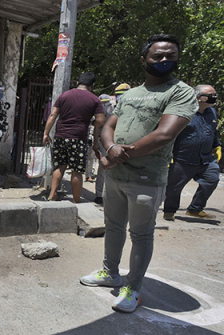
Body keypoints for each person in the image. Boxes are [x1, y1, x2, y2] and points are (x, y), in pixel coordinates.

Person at [80, 34, 197, 313]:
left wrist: (120, 155)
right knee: (114, 227)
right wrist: (109, 149)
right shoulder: (130, 93)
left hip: (147, 178)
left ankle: (133, 287)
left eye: (170, 55)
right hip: (117, 177)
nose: (164, 60)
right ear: (144, 59)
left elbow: (164, 134)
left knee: (141, 235)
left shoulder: (180, 92)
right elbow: (108, 125)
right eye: (157, 56)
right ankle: (110, 273)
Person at [43, 72, 105, 203]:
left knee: (59, 166)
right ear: (92, 85)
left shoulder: (64, 95)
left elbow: (53, 115)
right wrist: (92, 123)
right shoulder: (95, 100)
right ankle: (76, 201)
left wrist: (46, 133)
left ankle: (52, 195)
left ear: (78, 83)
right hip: (78, 138)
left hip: (60, 137)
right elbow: (100, 120)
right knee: (76, 171)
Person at [162, 85, 220, 221]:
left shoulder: (212, 111)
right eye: (211, 95)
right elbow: (171, 134)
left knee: (212, 179)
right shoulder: (183, 112)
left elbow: (213, 130)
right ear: (199, 98)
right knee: (174, 188)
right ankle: (169, 211)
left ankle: (195, 209)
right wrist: (168, 153)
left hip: (205, 159)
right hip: (182, 159)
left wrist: (217, 145)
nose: (215, 97)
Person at [93, 94, 116, 204]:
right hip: (104, 141)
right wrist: (96, 142)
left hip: (114, 141)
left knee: (111, 169)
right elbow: (97, 126)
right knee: (103, 168)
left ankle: (106, 194)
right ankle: (99, 194)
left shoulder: (115, 107)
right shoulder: (102, 109)